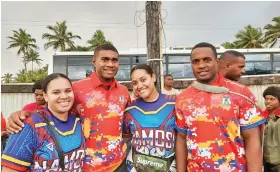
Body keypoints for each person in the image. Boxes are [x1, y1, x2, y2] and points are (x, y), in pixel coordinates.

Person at [6, 44, 131, 172]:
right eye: (105, 59)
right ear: (94, 61)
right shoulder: (75, 89)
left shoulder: (124, 91)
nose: (110, 64)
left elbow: (127, 123)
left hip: (118, 165)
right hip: (85, 167)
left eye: (114, 60)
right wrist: (22, 115)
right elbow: (54, 110)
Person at [175, 42, 265, 172]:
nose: (201, 65)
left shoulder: (240, 93)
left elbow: (252, 139)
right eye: (196, 61)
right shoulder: (183, 98)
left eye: (207, 60)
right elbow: (181, 139)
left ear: (217, 62)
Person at [1, 73, 85, 171]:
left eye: (68, 91)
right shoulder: (30, 125)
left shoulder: (80, 121)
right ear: (45, 96)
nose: (64, 96)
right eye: (56, 92)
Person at [123, 64, 176, 172]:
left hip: (168, 167)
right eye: (135, 83)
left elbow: (182, 139)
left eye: (143, 80)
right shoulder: (129, 109)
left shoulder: (173, 104)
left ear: (154, 77)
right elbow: (126, 138)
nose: (139, 85)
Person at [262, 86, 280, 172]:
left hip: (277, 161)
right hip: (266, 159)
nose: (268, 101)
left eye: (272, 99)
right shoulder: (260, 116)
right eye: (266, 99)